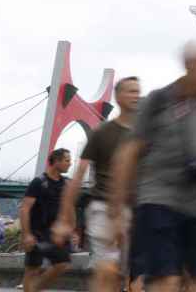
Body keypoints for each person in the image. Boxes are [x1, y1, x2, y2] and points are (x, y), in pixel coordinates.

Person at [110, 42, 196, 292]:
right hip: (157, 202)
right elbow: (128, 153)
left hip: (190, 208)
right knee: (167, 282)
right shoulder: (159, 100)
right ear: (189, 66)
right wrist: (117, 211)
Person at [53, 76, 140, 292]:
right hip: (103, 207)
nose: (136, 96)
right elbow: (79, 173)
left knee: (126, 273)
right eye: (130, 91)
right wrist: (65, 218)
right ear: (118, 97)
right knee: (109, 269)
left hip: (133, 209)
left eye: (138, 91)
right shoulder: (102, 132)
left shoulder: (143, 135)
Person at [20, 148, 73, 292]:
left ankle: (36, 289)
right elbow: (25, 208)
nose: (70, 163)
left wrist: (72, 230)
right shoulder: (38, 182)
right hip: (37, 233)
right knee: (32, 270)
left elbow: (69, 208)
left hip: (56, 233)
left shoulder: (67, 184)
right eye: (67, 160)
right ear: (56, 161)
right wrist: (27, 235)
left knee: (63, 264)